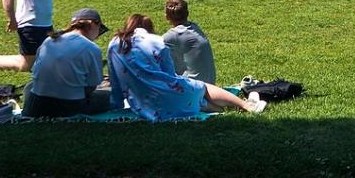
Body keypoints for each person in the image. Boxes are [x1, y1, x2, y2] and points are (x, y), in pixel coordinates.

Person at [107, 14, 266, 121]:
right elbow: (169, 75)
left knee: (194, 98)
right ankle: (246, 105)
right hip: (165, 96)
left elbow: (114, 79)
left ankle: (230, 108)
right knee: (202, 87)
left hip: (142, 104)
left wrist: (117, 104)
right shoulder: (155, 41)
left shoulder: (113, 45)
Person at [22, 8, 111, 118]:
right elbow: (91, 86)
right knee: (110, 95)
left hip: (36, 106)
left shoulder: (48, 41)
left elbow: (36, 73)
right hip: (69, 107)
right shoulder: (91, 48)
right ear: (92, 24)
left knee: (30, 86)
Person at [162, 0, 216, 84]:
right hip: (210, 84)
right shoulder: (195, 27)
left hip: (194, 88)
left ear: (167, 17)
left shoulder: (174, 35)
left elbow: (151, 49)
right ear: (187, 13)